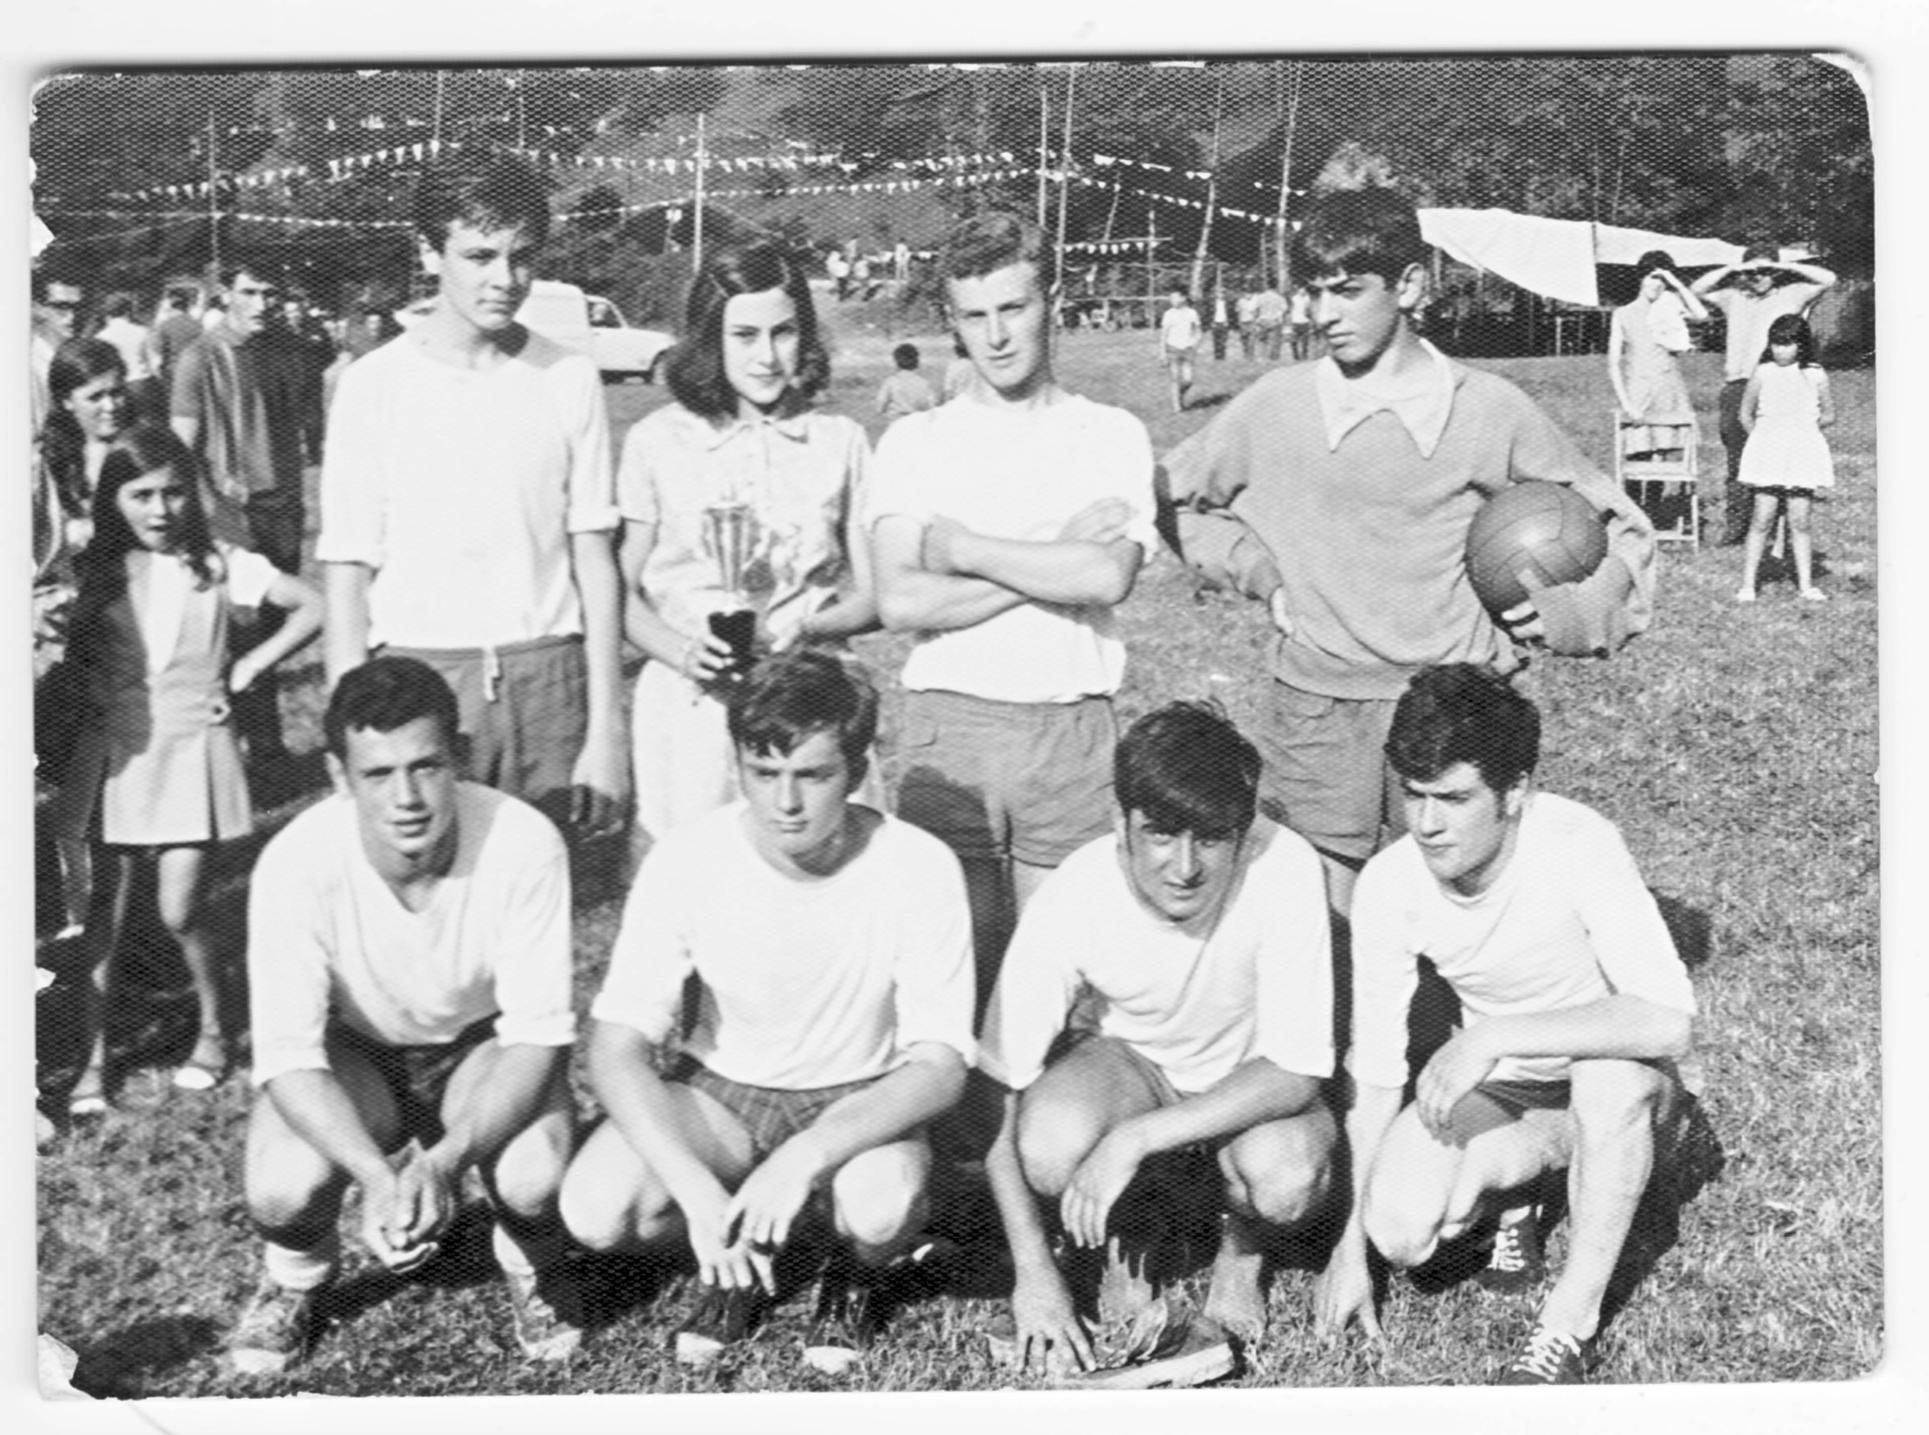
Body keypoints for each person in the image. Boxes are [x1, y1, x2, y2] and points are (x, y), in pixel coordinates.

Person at [1163, 186, 1655, 920]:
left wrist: (1576, 614)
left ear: (1411, 285)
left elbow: (1622, 528)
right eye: (1313, 293)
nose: (1323, 315)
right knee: (1325, 923)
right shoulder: (1275, 404)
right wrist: (1257, 572)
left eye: (1349, 291)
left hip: (1453, 700)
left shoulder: (1487, 407)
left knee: (1460, 923)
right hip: (1317, 704)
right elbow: (1167, 498)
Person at [559, 652, 974, 1374]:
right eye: (763, 772)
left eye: (812, 775)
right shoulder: (688, 856)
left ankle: (855, 1268)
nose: (786, 802)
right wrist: (693, 1191)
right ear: (737, 763)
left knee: (880, 1205)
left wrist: (802, 1157)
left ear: (855, 764)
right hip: (726, 1092)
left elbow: (939, 1067)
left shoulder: (917, 863)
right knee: (597, 1208)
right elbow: (615, 1045)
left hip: (860, 1093)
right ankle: (743, 1253)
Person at [1313, 665, 1697, 1385]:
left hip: (1610, 1070)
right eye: (1413, 795)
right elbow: (1372, 1079)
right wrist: (1347, 1253)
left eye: (1453, 799)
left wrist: (1491, 1035)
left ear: (1514, 792)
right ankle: (1533, 1184)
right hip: (1509, 1091)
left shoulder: (1577, 840)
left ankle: (1566, 1324)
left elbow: (1667, 1021)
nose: (1426, 823)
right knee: (1400, 1229)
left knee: (1608, 1085)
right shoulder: (1391, 884)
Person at [228, 656, 585, 1373]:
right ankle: (295, 1273)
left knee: (533, 1174)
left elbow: (537, 1035)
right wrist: (373, 1174)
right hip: (357, 1053)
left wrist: (447, 1162)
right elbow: (288, 1056)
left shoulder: (522, 840)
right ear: (337, 776)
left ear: (460, 756)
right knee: (280, 1183)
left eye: (425, 766)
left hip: (479, 1047)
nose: (407, 797)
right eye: (378, 773)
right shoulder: (295, 862)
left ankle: (533, 1263)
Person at [977, 702, 1336, 1387]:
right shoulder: (1076, 890)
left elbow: (1295, 1071)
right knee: (1048, 1142)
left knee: (1286, 1176)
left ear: (1243, 829)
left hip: (1248, 1086)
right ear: (1119, 823)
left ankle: (1240, 1252)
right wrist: (1035, 1272)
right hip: (1136, 1070)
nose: (1184, 866)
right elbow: (994, 1085)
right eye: (1160, 834)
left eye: (1210, 838)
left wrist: (1133, 1138)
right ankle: (1131, 1227)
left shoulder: (1284, 863)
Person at [869, 210, 1156, 1001]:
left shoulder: (1109, 433)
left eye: (1013, 307)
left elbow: (1104, 578)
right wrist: (1052, 548)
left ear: (1051, 300)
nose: (995, 336)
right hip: (950, 725)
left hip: (1069, 725)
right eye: (974, 315)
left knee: (1053, 980)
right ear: (951, 321)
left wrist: (963, 548)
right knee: (949, 974)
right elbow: (899, 598)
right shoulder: (915, 443)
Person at [319, 154, 629, 838]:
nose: (504, 279)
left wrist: (606, 727)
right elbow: (345, 570)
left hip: (549, 677)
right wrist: (350, 734)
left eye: (523, 257)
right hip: (418, 680)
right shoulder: (374, 385)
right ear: (428, 253)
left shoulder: (567, 375)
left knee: (545, 899)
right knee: (426, 913)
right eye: (479, 255)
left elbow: (594, 558)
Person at [50, 423, 323, 1117]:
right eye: (140, 494)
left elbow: (312, 604)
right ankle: (89, 1058)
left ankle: (213, 1021)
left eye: (174, 492)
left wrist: (253, 664)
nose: (160, 509)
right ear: (114, 498)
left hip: (192, 746)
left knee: (179, 906)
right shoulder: (92, 568)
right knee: (101, 920)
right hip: (113, 753)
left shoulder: (223, 562)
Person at [616, 238, 877, 849]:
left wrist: (812, 630)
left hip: (808, 700)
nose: (766, 356)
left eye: (782, 333)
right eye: (744, 336)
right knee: (694, 876)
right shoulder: (659, 442)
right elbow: (619, 592)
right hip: (692, 709)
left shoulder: (838, 440)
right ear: (709, 338)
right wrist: (682, 651)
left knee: (816, 875)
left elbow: (875, 594)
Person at [171, 254, 311, 766]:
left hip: (284, 509)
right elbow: (182, 451)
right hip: (232, 514)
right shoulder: (199, 357)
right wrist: (214, 518)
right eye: (250, 292)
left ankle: (268, 750)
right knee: (237, 636)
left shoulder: (288, 349)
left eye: (272, 294)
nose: (262, 304)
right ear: (225, 292)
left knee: (279, 631)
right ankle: (240, 753)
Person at [1691, 241, 1837, 545]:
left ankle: (1774, 528)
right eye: (1754, 271)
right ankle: (1737, 526)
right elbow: (1697, 289)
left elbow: (1829, 279)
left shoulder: (1791, 293)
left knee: (1777, 457)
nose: (1760, 277)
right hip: (1737, 385)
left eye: (1766, 271)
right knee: (1738, 459)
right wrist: (1733, 270)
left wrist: (1785, 266)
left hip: (1777, 385)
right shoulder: (1734, 296)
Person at [1735, 313, 1836, 603]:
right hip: (1768, 454)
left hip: (1801, 455)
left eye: (1788, 344)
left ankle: (1806, 585)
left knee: (1800, 520)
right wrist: (1762, 441)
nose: (1781, 350)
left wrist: (1805, 433)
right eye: (1776, 344)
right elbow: (1745, 414)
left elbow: (1829, 414)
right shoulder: (1763, 372)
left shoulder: (1815, 374)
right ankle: (1748, 585)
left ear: (1801, 345)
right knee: (1762, 517)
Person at [1606, 250, 1709, 462]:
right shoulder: (1624, 313)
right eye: (1653, 278)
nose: (1658, 285)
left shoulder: (1670, 309)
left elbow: (1702, 315)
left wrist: (1677, 284)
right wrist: (1626, 404)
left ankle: (1657, 496)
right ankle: (1631, 497)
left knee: (1662, 455)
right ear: (1641, 278)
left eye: (1664, 281)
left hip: (1668, 388)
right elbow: (1613, 364)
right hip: (1639, 389)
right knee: (1637, 453)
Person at [31, 268, 86, 434]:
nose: (72, 316)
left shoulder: (79, 359)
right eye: (61, 307)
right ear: (38, 309)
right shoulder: (32, 370)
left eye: (78, 307)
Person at [95, 292, 160, 416]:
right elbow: (155, 362)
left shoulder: (101, 337)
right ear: (128, 311)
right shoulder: (143, 331)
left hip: (118, 388)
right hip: (143, 385)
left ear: (107, 313)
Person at [148, 286, 205, 402]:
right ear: (187, 305)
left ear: (170, 304)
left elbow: (156, 354)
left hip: (173, 373)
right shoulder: (198, 326)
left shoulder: (164, 326)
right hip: (194, 371)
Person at [1157, 288, 1202, 413]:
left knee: (1189, 380)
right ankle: (1177, 406)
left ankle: (1180, 396)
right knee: (1175, 378)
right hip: (1173, 349)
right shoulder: (1168, 314)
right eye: (1171, 298)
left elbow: (1198, 331)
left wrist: (1195, 344)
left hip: (1188, 349)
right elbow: (1164, 335)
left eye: (1174, 297)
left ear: (1183, 298)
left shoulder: (1192, 313)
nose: (1172, 300)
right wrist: (1162, 352)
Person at [876, 341, 937, 422]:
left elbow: (879, 407)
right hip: (918, 424)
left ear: (896, 362)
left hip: (896, 424)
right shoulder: (924, 383)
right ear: (916, 362)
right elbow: (930, 408)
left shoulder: (890, 382)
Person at [1249, 282, 1286, 361]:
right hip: (1274, 321)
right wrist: (1279, 317)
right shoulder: (1279, 298)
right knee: (1274, 341)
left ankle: (1261, 357)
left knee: (1261, 340)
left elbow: (1251, 308)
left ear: (1267, 287)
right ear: (1276, 288)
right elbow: (1283, 309)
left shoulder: (1260, 297)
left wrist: (1256, 318)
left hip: (1262, 320)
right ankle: (1272, 358)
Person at [1286, 283, 1312, 361]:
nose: (1302, 291)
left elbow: (1309, 310)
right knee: (1294, 340)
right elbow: (1290, 309)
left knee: (1305, 341)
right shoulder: (1294, 298)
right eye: (1301, 289)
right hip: (1295, 321)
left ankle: (1304, 354)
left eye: (1304, 289)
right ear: (1298, 290)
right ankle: (1296, 355)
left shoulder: (1308, 299)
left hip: (1305, 321)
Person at [1235, 289, 1260, 360]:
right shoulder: (1240, 301)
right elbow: (1238, 312)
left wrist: (1256, 321)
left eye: (1250, 293)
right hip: (1243, 322)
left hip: (1251, 322)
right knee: (1244, 339)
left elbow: (1257, 312)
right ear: (1244, 294)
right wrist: (1239, 322)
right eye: (1247, 293)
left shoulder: (1254, 302)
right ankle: (1245, 353)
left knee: (1252, 339)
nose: (1248, 295)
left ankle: (1251, 355)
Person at [1209, 287, 1231, 361]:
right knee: (1216, 341)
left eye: (1222, 293)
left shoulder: (1227, 303)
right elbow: (1209, 313)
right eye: (1219, 293)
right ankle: (1217, 356)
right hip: (1216, 323)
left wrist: (1227, 321)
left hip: (1224, 323)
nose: (1220, 294)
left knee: (1223, 341)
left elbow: (1230, 313)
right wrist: (1211, 322)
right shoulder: (1213, 302)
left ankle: (1222, 356)